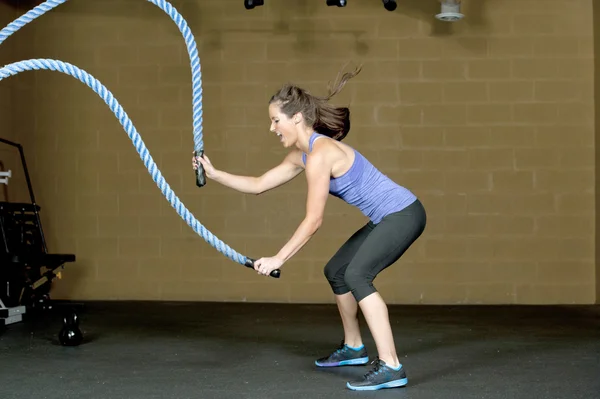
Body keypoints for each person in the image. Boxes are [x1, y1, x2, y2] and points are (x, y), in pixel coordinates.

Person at [192, 64, 427, 391]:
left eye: (276, 120)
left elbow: (314, 220)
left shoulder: (320, 154)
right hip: (387, 217)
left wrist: (278, 258)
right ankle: (354, 347)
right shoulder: (300, 157)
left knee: (358, 275)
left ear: (297, 119)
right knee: (337, 271)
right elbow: (259, 184)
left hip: (404, 214)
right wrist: (215, 174)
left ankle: (391, 365)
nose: (271, 128)